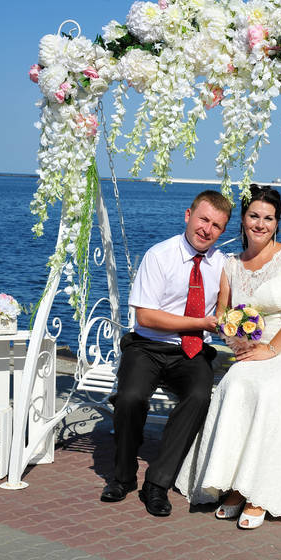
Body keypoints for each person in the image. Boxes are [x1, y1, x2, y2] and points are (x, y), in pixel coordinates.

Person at [176, 185, 281, 529]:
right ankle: (233, 484)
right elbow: (223, 314)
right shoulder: (231, 265)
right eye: (254, 216)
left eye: (269, 218)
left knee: (273, 391)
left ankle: (259, 493)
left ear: (277, 223)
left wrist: (272, 349)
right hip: (258, 349)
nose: (261, 224)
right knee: (234, 383)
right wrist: (235, 338)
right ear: (243, 219)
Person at [100, 190, 232, 517]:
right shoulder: (159, 256)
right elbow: (146, 317)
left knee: (199, 397)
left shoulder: (223, 265)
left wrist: (242, 329)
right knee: (130, 398)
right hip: (147, 345)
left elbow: (226, 314)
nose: (207, 230)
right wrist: (201, 322)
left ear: (222, 230)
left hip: (192, 350)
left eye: (216, 225)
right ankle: (123, 476)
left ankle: (157, 483)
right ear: (188, 216)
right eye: (203, 219)